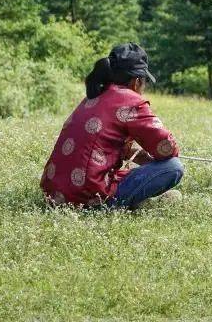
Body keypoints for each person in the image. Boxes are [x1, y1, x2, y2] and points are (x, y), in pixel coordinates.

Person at [41, 43, 184, 210]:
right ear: (137, 81)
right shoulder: (132, 102)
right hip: (90, 197)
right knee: (173, 167)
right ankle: (127, 204)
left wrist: (134, 154)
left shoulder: (94, 96)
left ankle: (134, 199)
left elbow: (98, 143)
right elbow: (167, 147)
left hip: (54, 194)